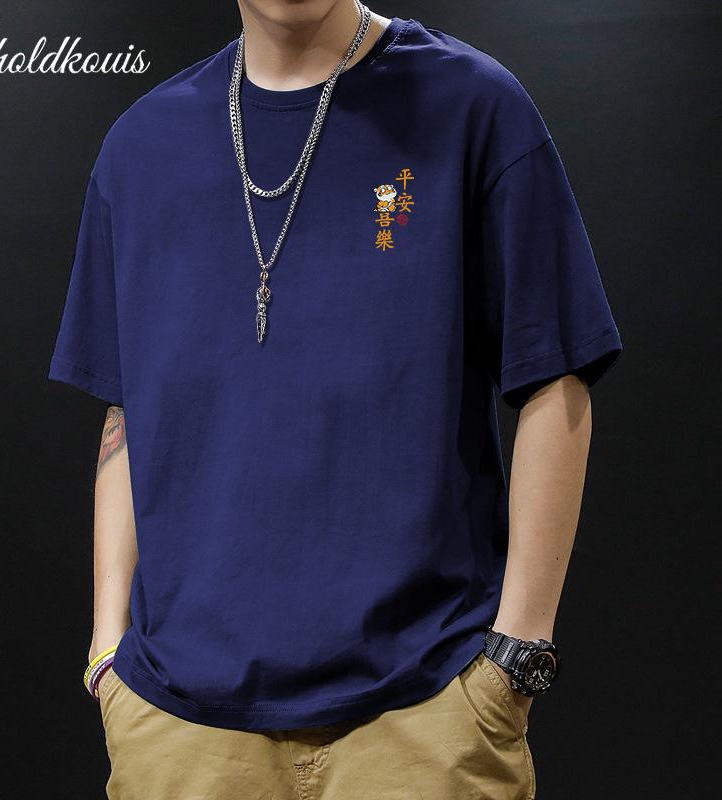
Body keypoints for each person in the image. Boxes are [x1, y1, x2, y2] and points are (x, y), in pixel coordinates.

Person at [48, 2, 622, 798]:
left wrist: (516, 655)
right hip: (181, 730)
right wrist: (107, 648)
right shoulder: (141, 148)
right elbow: (127, 411)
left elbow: (555, 371)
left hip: (426, 714)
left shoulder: (471, 106)